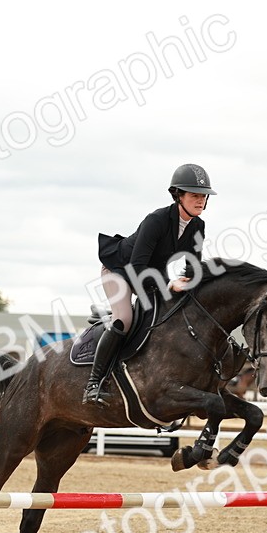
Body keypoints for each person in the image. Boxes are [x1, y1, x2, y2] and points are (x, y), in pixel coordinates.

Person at [83, 163, 215, 404]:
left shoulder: (198, 226)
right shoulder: (156, 220)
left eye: (204, 196)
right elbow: (136, 267)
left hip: (151, 275)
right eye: (195, 195)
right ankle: (93, 383)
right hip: (121, 270)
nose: (201, 201)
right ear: (178, 195)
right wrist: (169, 286)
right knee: (124, 319)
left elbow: (193, 265)